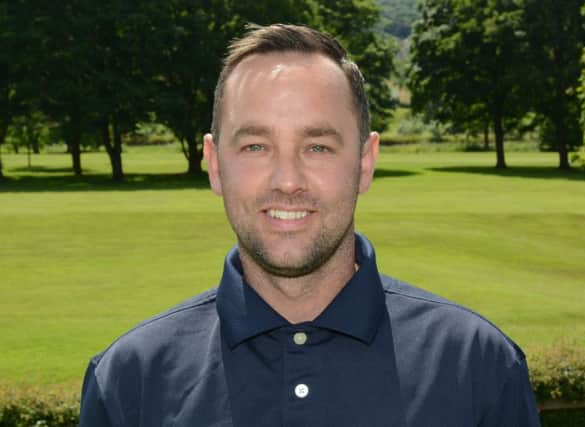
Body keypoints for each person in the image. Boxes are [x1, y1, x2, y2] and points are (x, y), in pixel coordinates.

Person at [79, 23, 540, 426]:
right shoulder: (128, 381)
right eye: (255, 146)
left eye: (317, 146)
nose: (287, 181)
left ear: (364, 162)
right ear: (215, 165)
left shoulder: (478, 366)